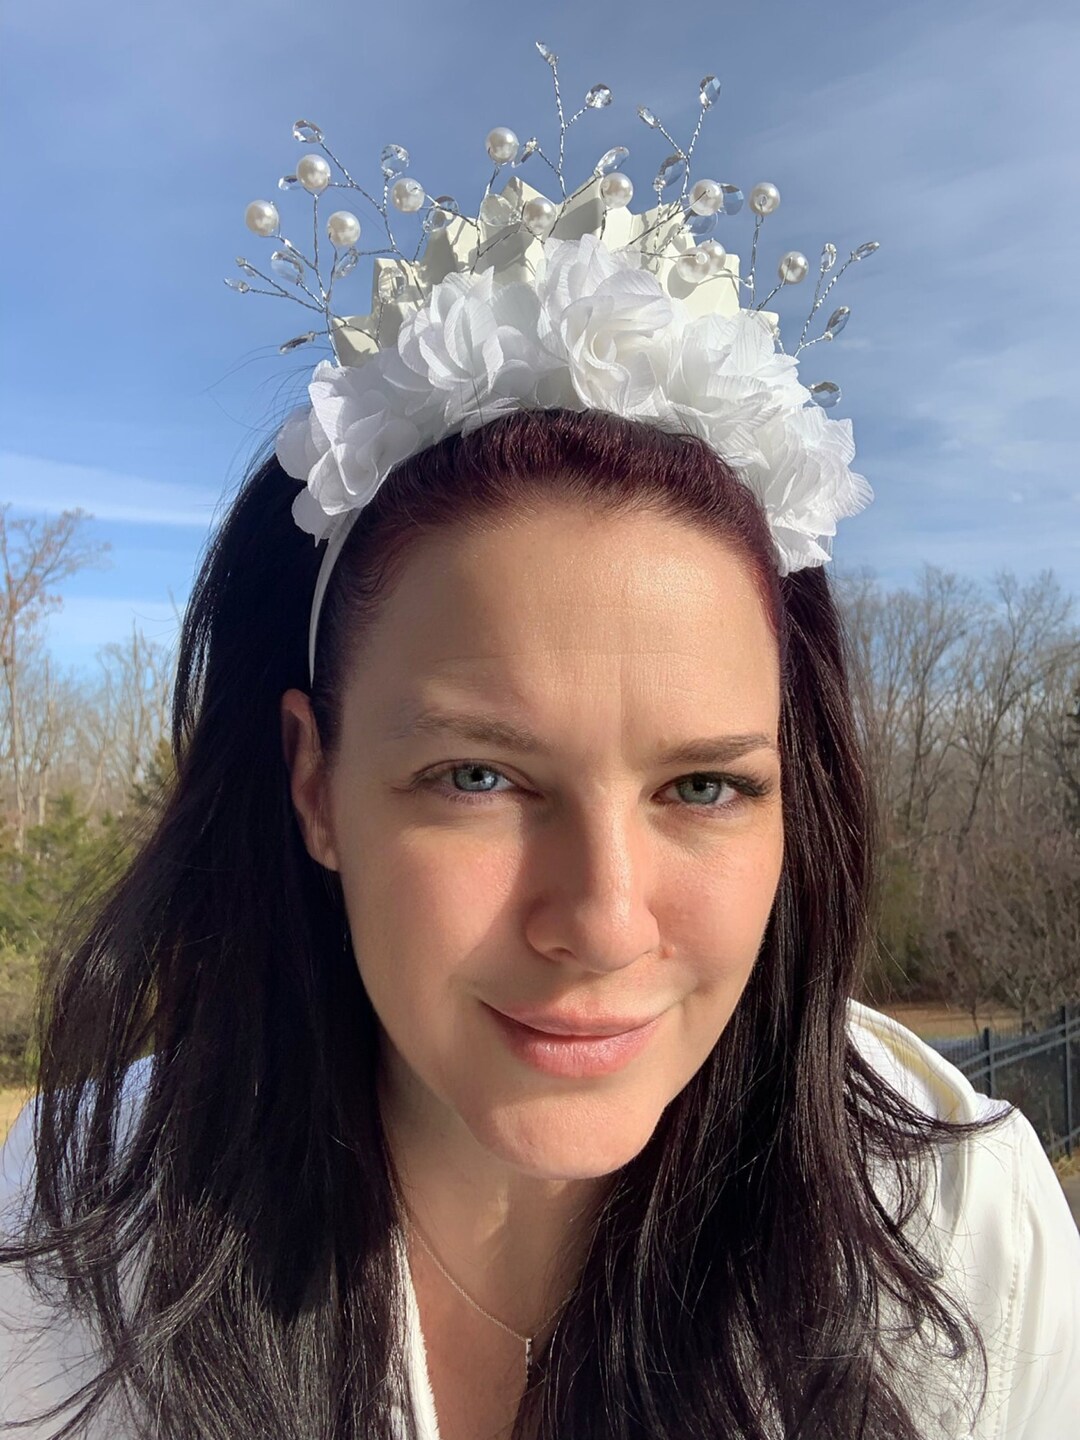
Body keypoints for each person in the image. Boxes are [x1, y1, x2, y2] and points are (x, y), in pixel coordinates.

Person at [3, 49, 1079, 1440]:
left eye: (704, 784)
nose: (604, 919)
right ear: (315, 782)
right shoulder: (61, 1256)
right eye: (480, 775)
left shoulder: (959, 1234)